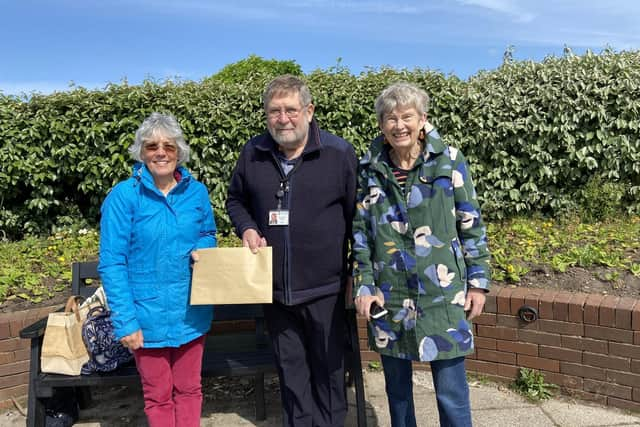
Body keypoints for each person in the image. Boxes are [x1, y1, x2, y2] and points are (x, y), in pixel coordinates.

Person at [352, 82, 490, 427]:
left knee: (451, 394)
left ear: (422, 119)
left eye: (406, 117)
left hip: (443, 294)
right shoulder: (369, 170)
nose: (399, 125)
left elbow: (470, 223)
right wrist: (364, 285)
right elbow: (361, 235)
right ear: (381, 125)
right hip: (391, 294)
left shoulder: (450, 161)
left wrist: (478, 284)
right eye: (390, 118)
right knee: (397, 395)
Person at [226, 75, 357, 426]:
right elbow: (235, 200)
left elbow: (358, 219)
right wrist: (248, 227)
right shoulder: (253, 153)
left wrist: (355, 269)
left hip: (325, 289)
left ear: (309, 111)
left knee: (329, 376)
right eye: (274, 111)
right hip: (275, 292)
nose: (283, 119)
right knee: (291, 375)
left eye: (291, 110)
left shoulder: (338, 154)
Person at [98, 112, 217, 427]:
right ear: (141, 152)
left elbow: (207, 232)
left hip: (190, 312)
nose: (161, 152)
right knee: (159, 395)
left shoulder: (197, 193)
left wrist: (204, 248)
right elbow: (112, 263)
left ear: (179, 152)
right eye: (152, 146)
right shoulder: (123, 197)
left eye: (169, 145)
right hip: (145, 317)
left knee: (190, 389)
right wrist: (125, 322)